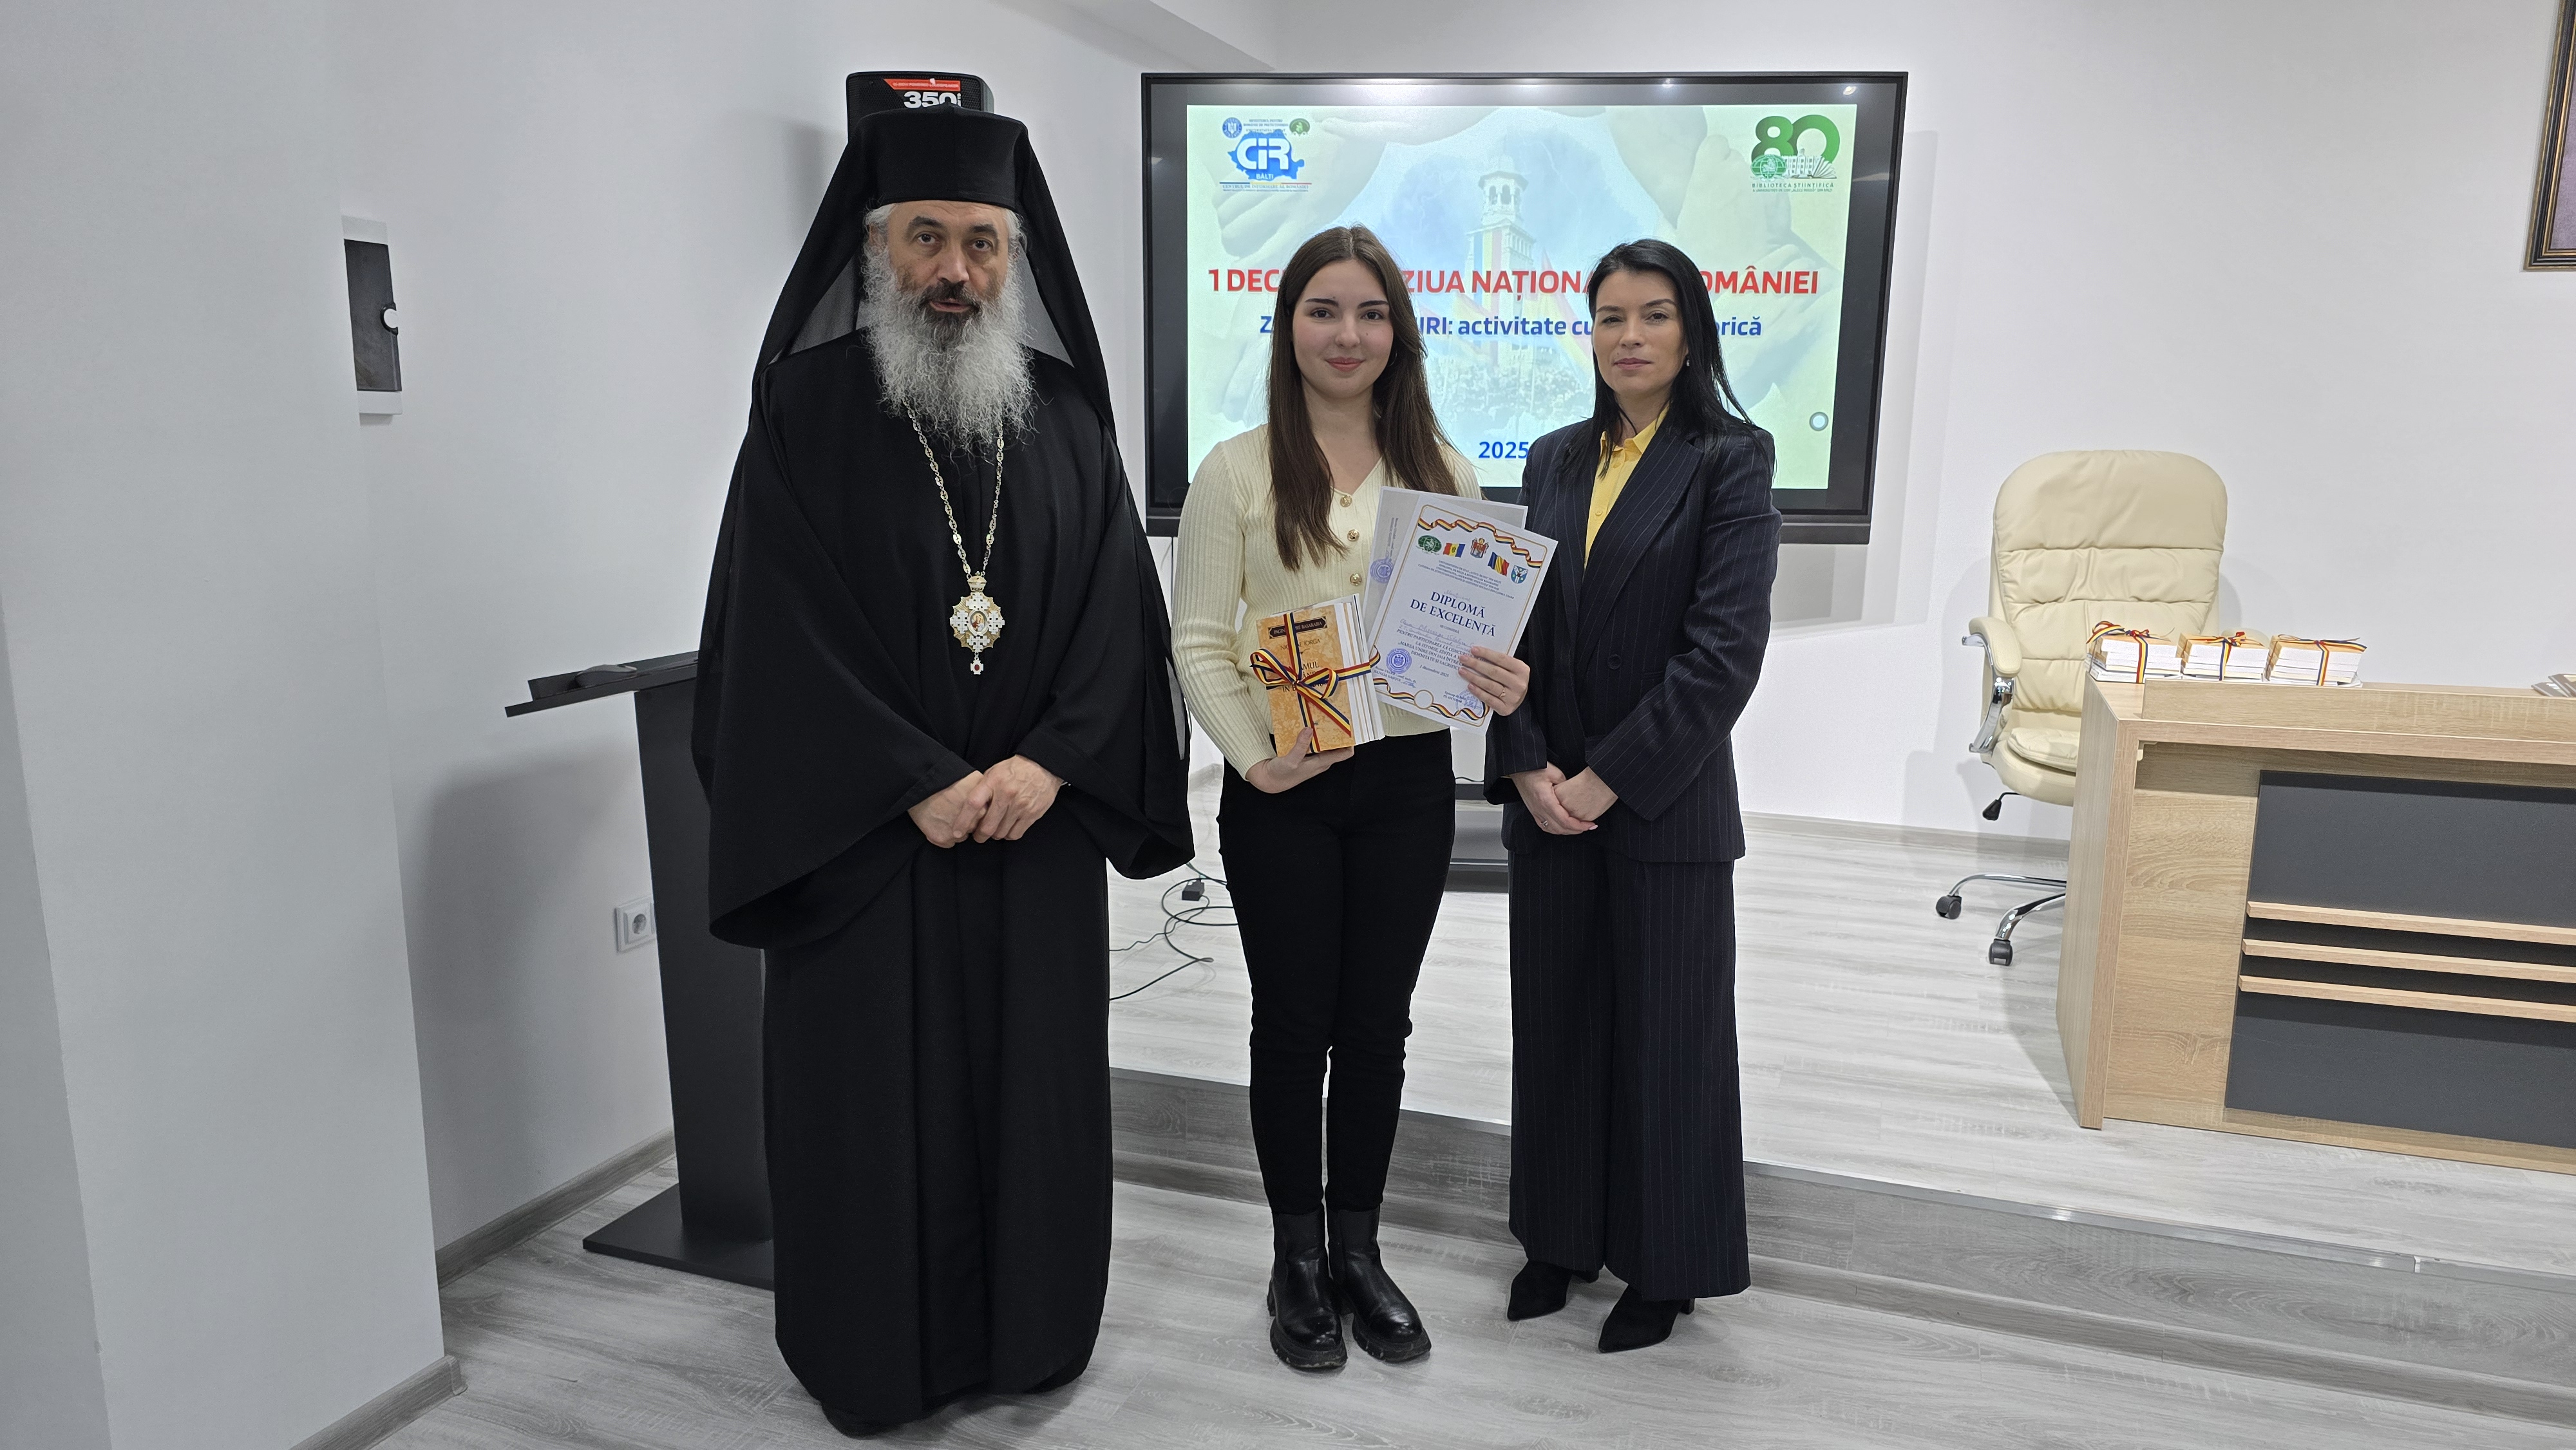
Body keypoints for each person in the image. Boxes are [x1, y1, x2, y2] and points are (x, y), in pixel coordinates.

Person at [691, 103, 1192, 1436]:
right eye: (926, 238)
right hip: (869, 851)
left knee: (1030, 1100)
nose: (954, 270)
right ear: (875, 250)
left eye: (981, 241)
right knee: (867, 1108)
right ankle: (873, 1356)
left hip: (1031, 839)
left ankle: (1032, 1337)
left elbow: (1116, 617)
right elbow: (773, 634)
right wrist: (908, 774)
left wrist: (1053, 762)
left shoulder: (1067, 417)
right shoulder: (801, 412)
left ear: (1015, 257)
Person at [1171, 225, 1530, 1372]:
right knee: (1292, 1024)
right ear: (1288, 326)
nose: (1348, 334)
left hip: (1407, 786)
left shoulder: (1445, 474)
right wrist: (1252, 757)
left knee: (1377, 1026)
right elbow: (1196, 637)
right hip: (1283, 786)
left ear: (1398, 333)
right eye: (1323, 310)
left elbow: (1471, 635)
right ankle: (1295, 1257)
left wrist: (1497, 675)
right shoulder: (1235, 470)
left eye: (1371, 313)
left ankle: (1360, 1251)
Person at [1484, 238, 1781, 1353]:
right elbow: (1511, 630)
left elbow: (1722, 655)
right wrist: (1527, 765)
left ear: (1692, 331)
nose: (1630, 336)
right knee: (1555, 1027)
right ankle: (1557, 1240)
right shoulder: (1554, 458)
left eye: (1654, 315)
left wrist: (1604, 780)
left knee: (1671, 1043)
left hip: (1661, 804)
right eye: (1610, 317)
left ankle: (1667, 1266)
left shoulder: (1731, 459)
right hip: (1547, 797)